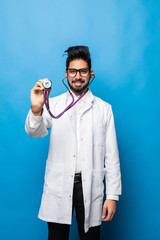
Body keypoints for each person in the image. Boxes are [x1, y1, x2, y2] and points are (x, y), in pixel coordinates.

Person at [25, 46, 122, 240]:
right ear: (66, 74)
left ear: (90, 73)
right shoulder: (52, 104)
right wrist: (36, 109)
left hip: (90, 184)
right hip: (60, 184)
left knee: (91, 236)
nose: (78, 76)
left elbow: (112, 156)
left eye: (83, 71)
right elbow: (34, 132)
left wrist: (112, 196)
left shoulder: (104, 109)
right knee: (56, 236)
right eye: (73, 71)